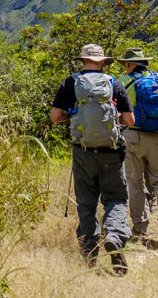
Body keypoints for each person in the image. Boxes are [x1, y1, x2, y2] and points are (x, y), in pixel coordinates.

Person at [51, 44, 135, 274]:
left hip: (83, 150)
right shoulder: (113, 83)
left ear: (83, 60)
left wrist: (73, 114)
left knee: (86, 202)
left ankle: (89, 251)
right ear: (102, 62)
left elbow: (55, 116)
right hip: (111, 151)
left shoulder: (71, 82)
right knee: (115, 198)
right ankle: (115, 237)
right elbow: (130, 120)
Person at [116, 48, 158, 243]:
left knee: (134, 182)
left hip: (132, 137)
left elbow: (113, 111)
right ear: (145, 62)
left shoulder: (122, 82)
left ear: (129, 64)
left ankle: (140, 227)